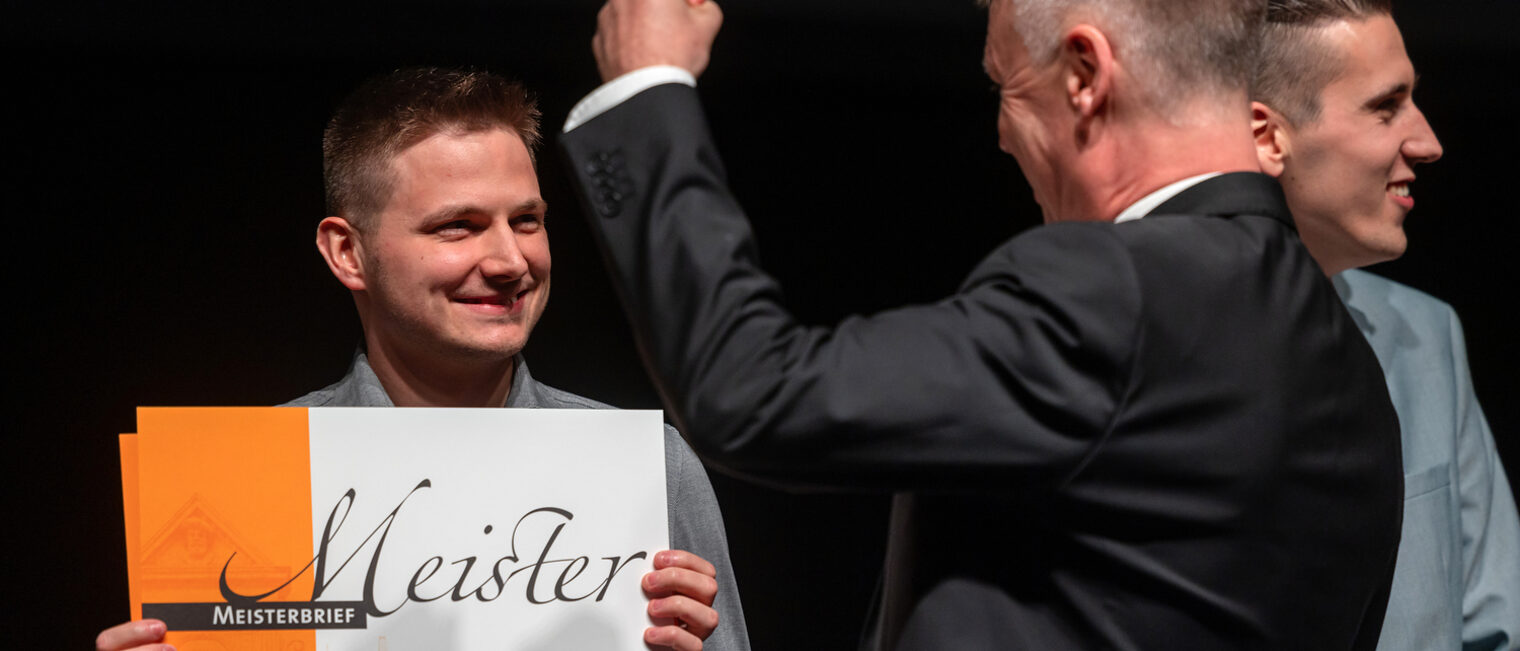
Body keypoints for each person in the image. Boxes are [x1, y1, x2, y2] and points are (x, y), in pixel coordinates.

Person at [560, 0, 1405, 648]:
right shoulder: (1348, 361)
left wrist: (647, 88)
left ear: (1085, 73)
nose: (1001, 135)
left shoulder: (1117, 286)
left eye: (1008, 86)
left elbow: (751, 388)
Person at [97, 67, 749, 651]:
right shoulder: (240, 483)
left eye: (526, 220)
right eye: (457, 226)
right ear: (347, 253)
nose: (510, 261)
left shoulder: (650, 471)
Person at [1251, 1, 1520, 648]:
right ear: (1268, 137)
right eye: (1385, 106)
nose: (1428, 143)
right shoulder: (1144, 332)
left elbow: (1495, 621)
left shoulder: (1427, 335)